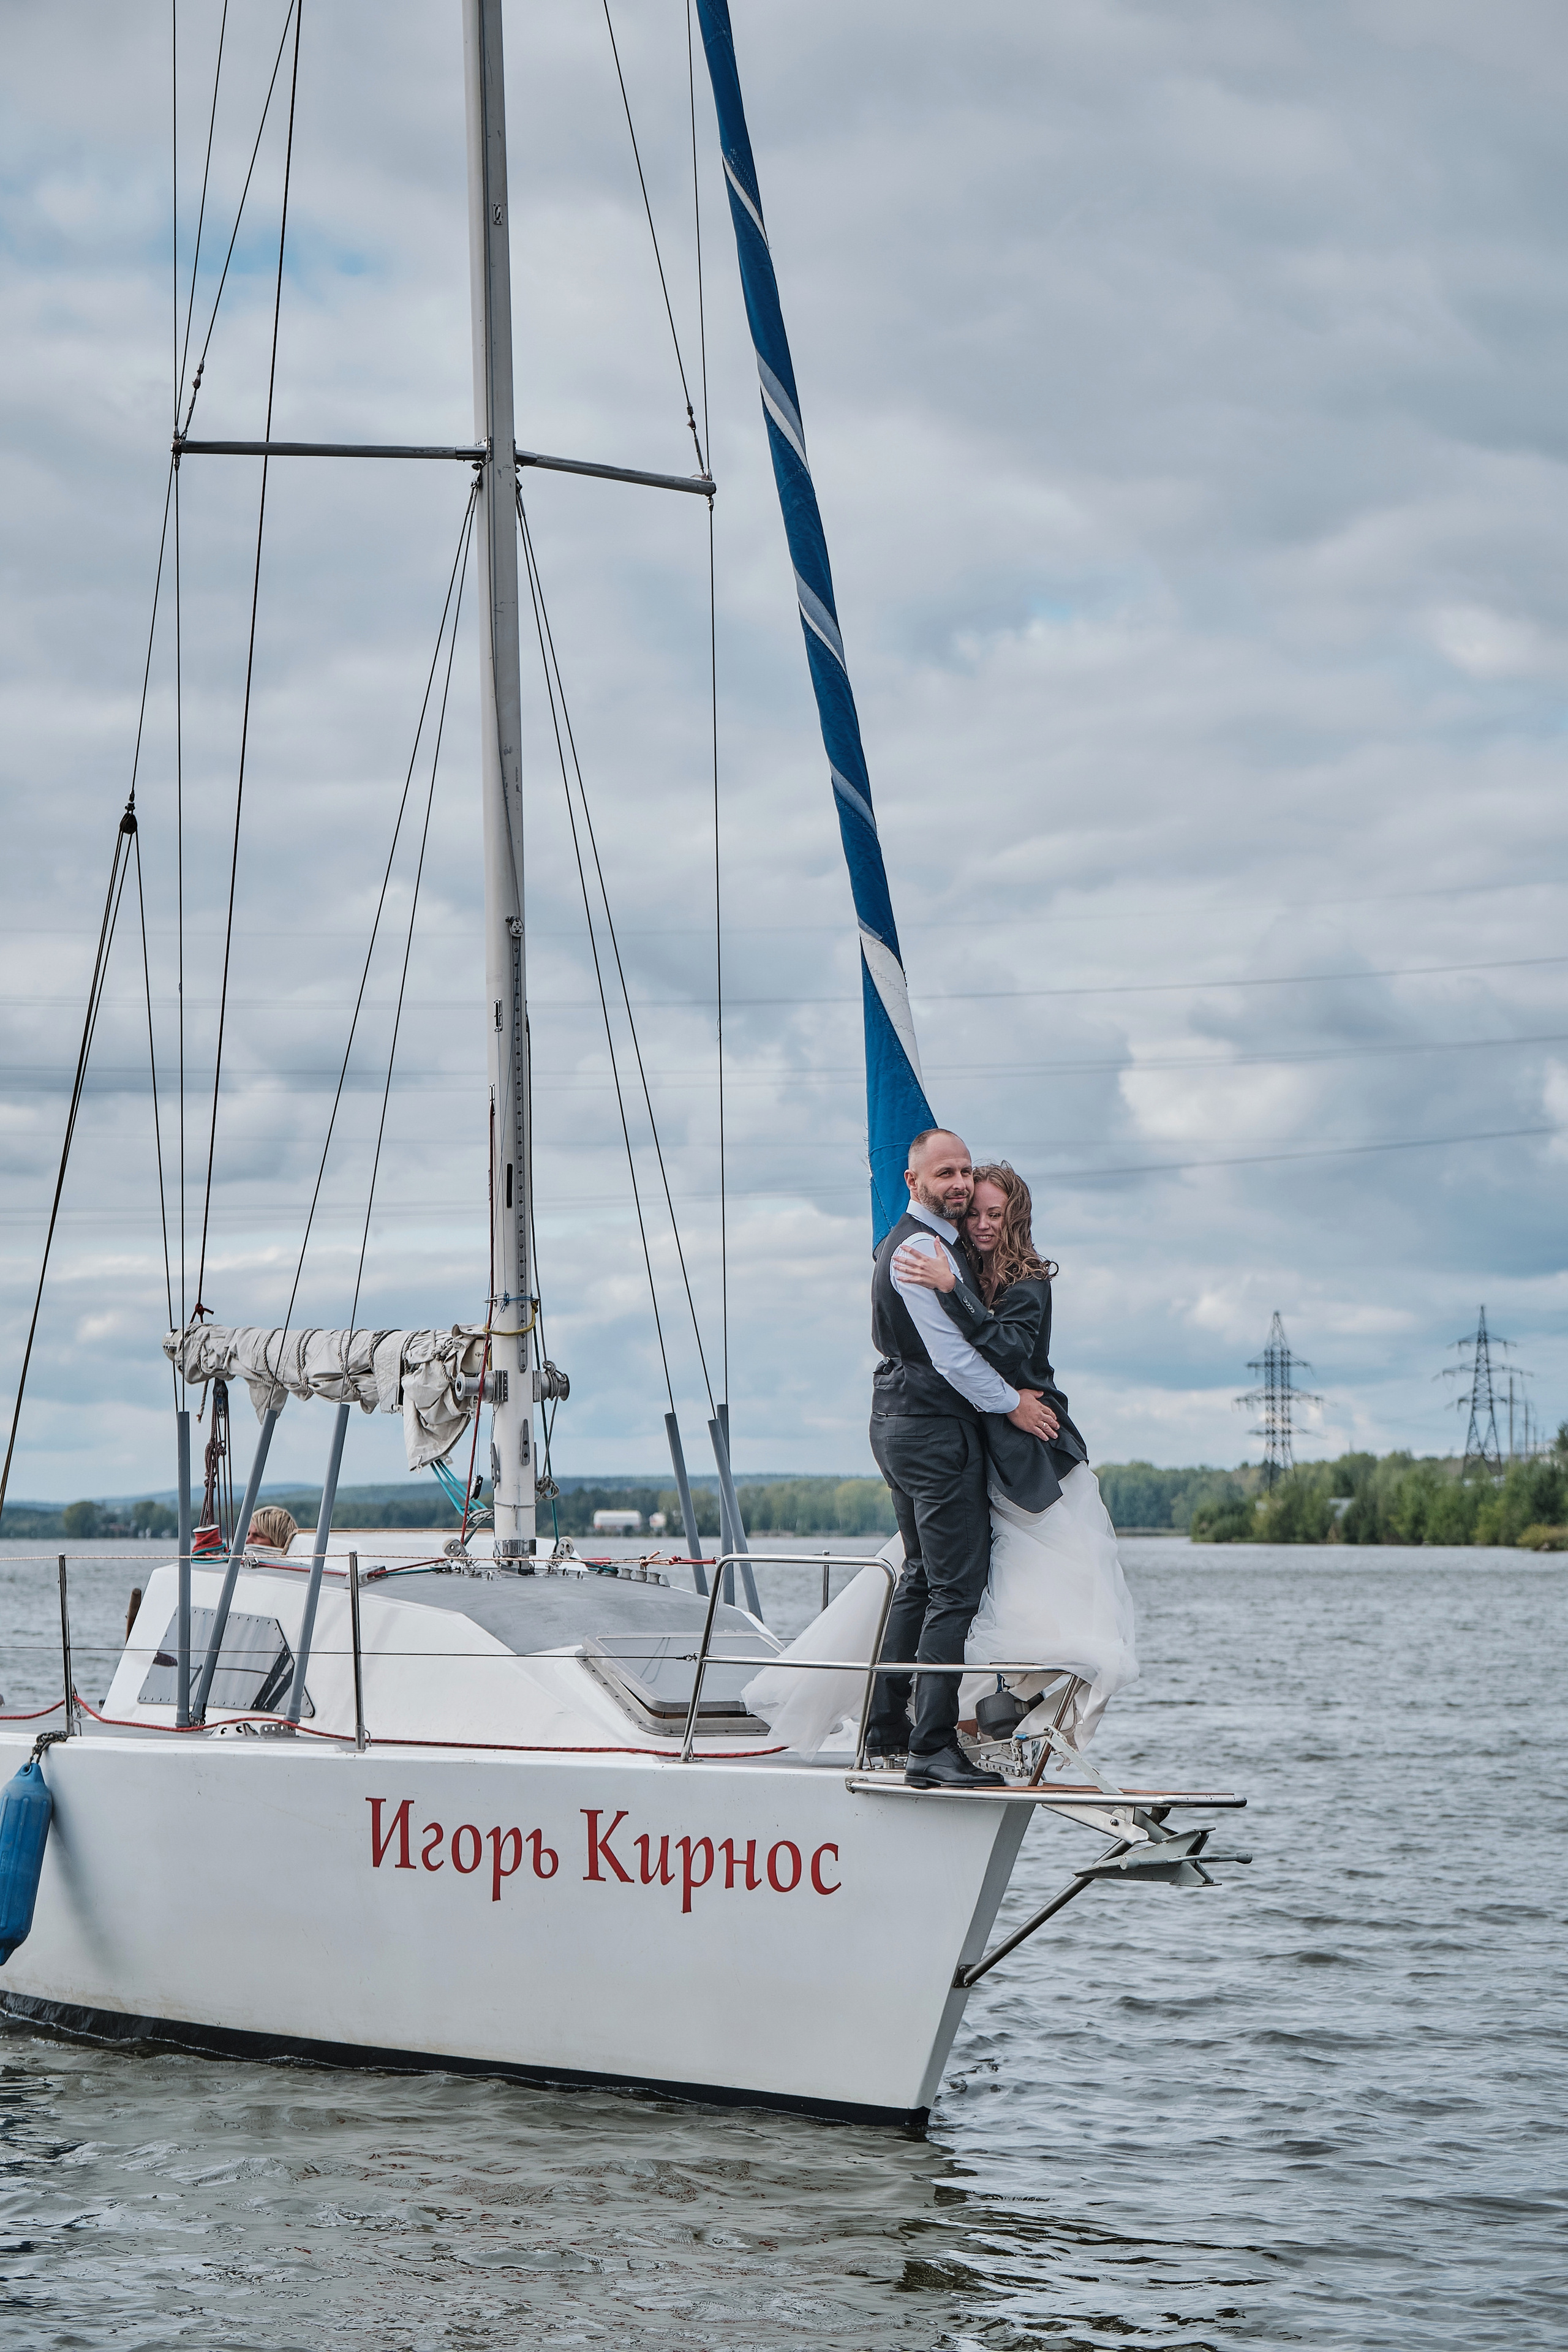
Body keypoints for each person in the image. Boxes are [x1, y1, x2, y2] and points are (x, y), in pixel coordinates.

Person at [892, 1163, 1137, 1752]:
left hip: (1034, 1452)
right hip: (977, 1446)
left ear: (1015, 1217)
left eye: (994, 1214)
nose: (981, 1223)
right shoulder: (957, 1266)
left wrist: (953, 1293)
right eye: (973, 1212)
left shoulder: (1029, 1280)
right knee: (960, 1579)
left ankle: (1005, 1710)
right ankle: (949, 1715)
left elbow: (1009, 1347)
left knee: (1060, 1588)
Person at [864, 1128, 1061, 1789]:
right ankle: (931, 1748)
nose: (957, 1185)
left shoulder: (939, 1248)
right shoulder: (921, 1249)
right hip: (930, 1429)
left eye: (964, 1172)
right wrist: (1012, 1405)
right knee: (954, 1588)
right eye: (944, 1173)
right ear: (912, 1180)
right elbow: (953, 1357)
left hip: (903, 1423)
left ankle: (886, 1730)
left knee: (921, 1578)